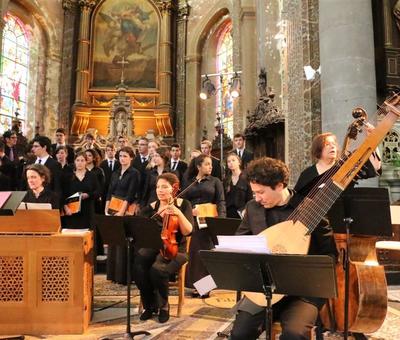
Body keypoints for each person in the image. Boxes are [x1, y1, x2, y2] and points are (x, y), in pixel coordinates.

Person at [230, 157, 338, 340]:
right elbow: (240, 241)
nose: (257, 198)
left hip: (301, 291)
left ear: (279, 185)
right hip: (263, 289)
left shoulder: (309, 209)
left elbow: (329, 255)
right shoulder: (253, 208)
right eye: (254, 192)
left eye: (261, 192)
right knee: (239, 334)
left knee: (294, 335)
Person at [135, 173, 193, 323]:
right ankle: (149, 305)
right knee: (139, 265)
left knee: (157, 269)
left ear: (174, 189)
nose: (160, 190)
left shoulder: (183, 204)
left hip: (175, 250)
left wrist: (178, 213)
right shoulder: (151, 208)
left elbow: (188, 231)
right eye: (158, 187)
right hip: (154, 247)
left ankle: (164, 306)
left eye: (164, 187)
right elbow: (141, 231)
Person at [182, 154, 226, 294]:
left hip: (209, 221)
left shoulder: (215, 181)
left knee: (206, 253)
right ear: (198, 166)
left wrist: (220, 220)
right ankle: (195, 286)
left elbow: (221, 201)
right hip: (192, 221)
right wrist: (190, 210)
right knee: (194, 253)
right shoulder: (189, 181)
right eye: (207, 164)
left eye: (211, 164)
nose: (210, 167)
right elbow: (183, 201)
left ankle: (205, 288)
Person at [105, 146, 141, 284]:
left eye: (125, 156)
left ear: (131, 157)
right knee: (114, 241)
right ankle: (114, 275)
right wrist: (106, 209)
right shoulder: (115, 172)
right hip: (113, 207)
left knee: (123, 242)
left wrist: (121, 211)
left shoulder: (134, 173)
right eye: (120, 156)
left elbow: (130, 194)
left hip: (125, 210)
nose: (122, 159)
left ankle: (125, 276)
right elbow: (109, 191)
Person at [61, 152, 101, 229]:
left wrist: (88, 195)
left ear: (86, 162)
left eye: (82, 160)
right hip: (72, 212)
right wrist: (65, 208)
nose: (80, 163)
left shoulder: (92, 176)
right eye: (78, 160)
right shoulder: (68, 177)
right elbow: (63, 194)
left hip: (88, 211)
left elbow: (98, 192)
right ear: (74, 162)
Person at [223, 152, 252, 219]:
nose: (231, 163)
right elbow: (223, 199)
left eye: (233, 160)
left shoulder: (247, 178)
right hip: (228, 213)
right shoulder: (226, 180)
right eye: (228, 161)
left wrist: (246, 211)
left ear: (239, 162)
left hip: (242, 213)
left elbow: (250, 199)